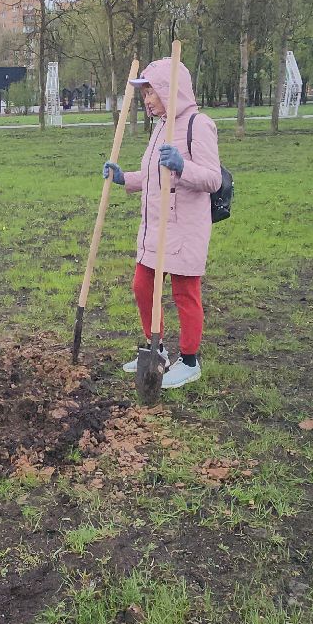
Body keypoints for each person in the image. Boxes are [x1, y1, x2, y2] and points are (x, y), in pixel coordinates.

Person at [99, 55, 224, 390]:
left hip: (185, 228)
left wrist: (183, 166)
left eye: (152, 92)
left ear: (171, 90)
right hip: (155, 227)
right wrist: (125, 177)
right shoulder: (159, 129)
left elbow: (212, 178)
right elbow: (155, 175)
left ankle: (190, 361)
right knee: (142, 287)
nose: (147, 100)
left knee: (185, 293)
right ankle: (158, 351)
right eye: (144, 94)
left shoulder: (200, 124)